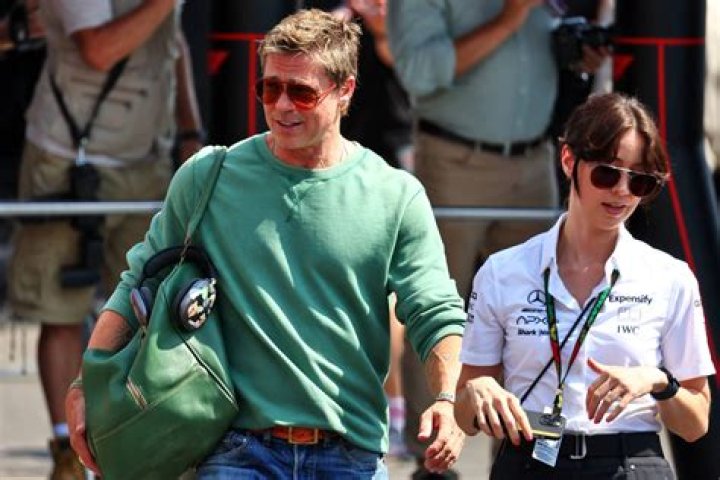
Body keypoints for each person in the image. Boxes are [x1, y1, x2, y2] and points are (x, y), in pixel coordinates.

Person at [65, 8, 466, 479]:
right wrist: (85, 384)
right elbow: (138, 282)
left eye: (302, 92)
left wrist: (446, 399)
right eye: (270, 88)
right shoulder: (210, 176)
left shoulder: (395, 195)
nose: (282, 105)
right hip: (237, 449)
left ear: (345, 91)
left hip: (351, 452)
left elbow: (435, 312)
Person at [386, 2, 608, 476]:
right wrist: (508, 19)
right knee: (436, 309)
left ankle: (523, 455)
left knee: (537, 316)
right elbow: (420, 73)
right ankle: (433, 463)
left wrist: (575, 55)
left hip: (535, 164)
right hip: (454, 161)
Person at [454, 92, 715, 479]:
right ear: (568, 161)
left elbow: (696, 423)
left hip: (631, 460)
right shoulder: (502, 271)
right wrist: (476, 393)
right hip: (531, 457)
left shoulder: (670, 277)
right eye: (607, 173)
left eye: (641, 181)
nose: (622, 191)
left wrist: (657, 381)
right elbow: (465, 414)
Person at [6, 1, 203, 478]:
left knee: (148, 309)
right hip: (69, 158)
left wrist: (189, 128)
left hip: (146, 159)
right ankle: (65, 450)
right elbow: (98, 50)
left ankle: (129, 437)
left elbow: (173, 43)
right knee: (61, 309)